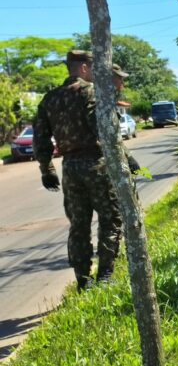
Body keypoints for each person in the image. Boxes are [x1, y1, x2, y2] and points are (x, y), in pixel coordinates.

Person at [34, 51, 137, 290]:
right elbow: (103, 131)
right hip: (96, 163)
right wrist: (127, 157)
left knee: (78, 225)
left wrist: (46, 169)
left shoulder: (49, 99)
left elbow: (40, 137)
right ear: (82, 68)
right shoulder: (91, 93)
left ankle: (83, 280)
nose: (95, 72)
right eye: (92, 67)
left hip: (70, 168)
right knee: (110, 219)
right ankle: (105, 275)